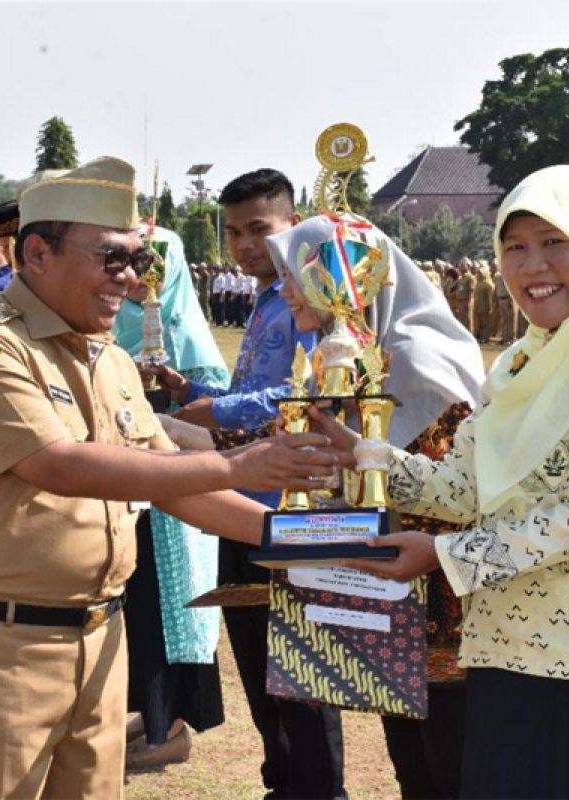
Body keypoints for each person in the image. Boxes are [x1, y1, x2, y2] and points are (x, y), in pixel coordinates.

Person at [0, 157, 335, 800]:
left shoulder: (111, 360)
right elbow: (57, 464)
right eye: (112, 259)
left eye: (139, 261)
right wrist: (237, 463)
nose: (130, 279)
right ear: (37, 253)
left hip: (99, 645)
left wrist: (312, 541)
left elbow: (171, 484)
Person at [313, 165, 569, 799]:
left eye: (555, 241)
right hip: (510, 649)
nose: (533, 265)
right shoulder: (523, 361)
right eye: (514, 247)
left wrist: (444, 556)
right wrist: (367, 459)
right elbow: (467, 486)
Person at [266, 211, 486, 800]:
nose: (284, 287)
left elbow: (452, 493)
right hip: (388, 597)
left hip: (445, 612)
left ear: (345, 277)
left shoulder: (416, 363)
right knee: (413, 769)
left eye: (296, 273)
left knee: (451, 771)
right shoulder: (342, 357)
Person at [150, 169, 343, 800]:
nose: (243, 245)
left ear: (294, 222)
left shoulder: (315, 296)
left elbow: (316, 390)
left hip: (293, 505)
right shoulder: (265, 299)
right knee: (260, 667)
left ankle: (317, 790)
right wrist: (192, 394)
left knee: (302, 674)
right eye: (233, 232)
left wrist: (214, 413)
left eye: (259, 228)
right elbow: (244, 398)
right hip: (240, 504)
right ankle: (281, 784)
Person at [112, 226, 230, 768]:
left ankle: (170, 726)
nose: (139, 280)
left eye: (151, 266)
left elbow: (220, 407)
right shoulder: (110, 319)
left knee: (168, 604)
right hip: (126, 487)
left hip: (175, 496)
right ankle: (145, 716)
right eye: (131, 264)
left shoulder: (188, 330)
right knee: (134, 604)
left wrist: (174, 388)